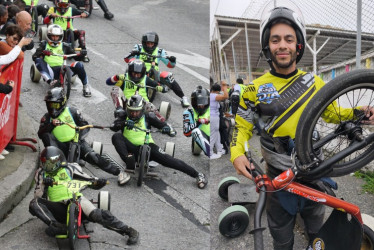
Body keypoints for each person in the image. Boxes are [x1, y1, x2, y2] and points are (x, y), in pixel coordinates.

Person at [230, 1, 374, 249]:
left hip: (314, 174)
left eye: (288, 39)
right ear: (267, 45)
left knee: (317, 231)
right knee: (281, 237)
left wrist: (360, 112)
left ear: (298, 44)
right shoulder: (253, 88)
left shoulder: (314, 82)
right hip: (278, 178)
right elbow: (241, 126)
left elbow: (332, 114)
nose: (282, 45)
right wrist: (236, 153)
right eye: (275, 40)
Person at [28, 146, 139, 245]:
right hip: (57, 207)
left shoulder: (70, 168)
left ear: (58, 160)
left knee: (98, 215)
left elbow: (88, 179)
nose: (47, 166)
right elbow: (38, 196)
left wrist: (98, 182)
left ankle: (129, 230)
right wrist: (44, 184)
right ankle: (57, 226)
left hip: (77, 200)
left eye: (50, 163)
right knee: (34, 203)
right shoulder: (41, 173)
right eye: (44, 163)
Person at [110, 94, 208, 189]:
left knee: (171, 161)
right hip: (130, 149)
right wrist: (124, 123)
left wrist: (167, 129)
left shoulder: (148, 117)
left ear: (142, 110)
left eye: (137, 112)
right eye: (131, 111)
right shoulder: (124, 116)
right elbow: (113, 126)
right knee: (116, 136)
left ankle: (197, 174)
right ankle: (128, 161)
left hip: (149, 147)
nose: (134, 114)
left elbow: (165, 126)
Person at [38, 87, 131, 186]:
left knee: (94, 157)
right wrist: (51, 125)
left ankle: (119, 172)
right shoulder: (46, 118)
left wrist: (78, 136)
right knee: (46, 135)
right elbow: (41, 134)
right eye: (50, 105)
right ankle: (51, 168)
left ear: (62, 103)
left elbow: (85, 126)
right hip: (58, 147)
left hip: (77, 142)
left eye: (55, 105)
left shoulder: (73, 112)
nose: (52, 108)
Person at [106, 59, 176, 136]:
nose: (136, 76)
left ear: (142, 73)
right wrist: (116, 77)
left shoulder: (146, 79)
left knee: (151, 108)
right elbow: (108, 82)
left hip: (142, 103)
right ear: (129, 72)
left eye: (138, 74)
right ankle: (119, 109)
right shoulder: (124, 78)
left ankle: (164, 124)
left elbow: (158, 85)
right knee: (115, 89)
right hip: (127, 103)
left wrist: (161, 88)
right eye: (134, 73)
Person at [124, 31, 190, 108]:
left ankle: (183, 98)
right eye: (148, 43)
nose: (149, 46)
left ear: (155, 44)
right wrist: (132, 54)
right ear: (144, 43)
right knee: (131, 63)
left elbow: (170, 65)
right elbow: (127, 59)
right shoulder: (138, 47)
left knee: (168, 76)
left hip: (155, 74)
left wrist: (172, 61)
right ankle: (126, 86)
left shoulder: (160, 51)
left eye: (152, 44)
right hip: (139, 71)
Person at [32, 24, 92, 97]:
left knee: (79, 65)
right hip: (50, 70)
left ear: (60, 37)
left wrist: (82, 55)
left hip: (63, 69)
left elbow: (75, 57)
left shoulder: (64, 45)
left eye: (57, 36)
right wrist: (42, 52)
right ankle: (51, 82)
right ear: (49, 36)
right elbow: (34, 56)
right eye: (53, 36)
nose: (55, 39)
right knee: (38, 60)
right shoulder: (44, 44)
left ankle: (86, 86)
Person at [183, 86, 210, 157]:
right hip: (202, 137)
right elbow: (186, 133)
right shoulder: (188, 112)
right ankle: (209, 151)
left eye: (203, 102)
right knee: (195, 131)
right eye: (198, 102)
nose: (201, 106)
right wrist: (198, 123)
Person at [210, 81, 228, 159]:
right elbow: (226, 96)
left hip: (214, 117)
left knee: (217, 134)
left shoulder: (211, 95)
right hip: (213, 117)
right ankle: (209, 153)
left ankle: (219, 150)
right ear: (217, 91)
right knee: (213, 135)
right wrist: (224, 86)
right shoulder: (214, 96)